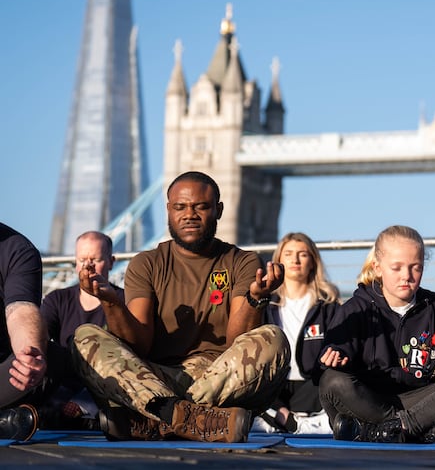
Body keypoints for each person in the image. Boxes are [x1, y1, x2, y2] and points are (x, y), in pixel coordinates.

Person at [70, 171, 291, 443]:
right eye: (180, 207)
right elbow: (139, 345)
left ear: (218, 210)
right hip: (154, 377)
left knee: (273, 339)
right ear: (168, 210)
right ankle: (190, 419)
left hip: (219, 379)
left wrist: (255, 298)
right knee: (84, 337)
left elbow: (237, 340)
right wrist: (111, 302)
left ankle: (157, 419)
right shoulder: (146, 263)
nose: (190, 215)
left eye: (201, 207)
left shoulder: (242, 262)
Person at [318, 225, 435, 443]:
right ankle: (417, 431)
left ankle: (378, 431)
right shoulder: (356, 308)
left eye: (415, 267)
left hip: (420, 403)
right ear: (378, 268)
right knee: (332, 381)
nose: (406, 276)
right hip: (369, 401)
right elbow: (334, 354)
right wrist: (336, 355)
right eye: (396, 268)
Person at [253, 232, 340, 434]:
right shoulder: (266, 303)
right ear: (278, 260)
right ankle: (291, 421)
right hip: (275, 387)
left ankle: (285, 423)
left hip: (312, 386)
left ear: (312, 261)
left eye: (303, 254)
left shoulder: (328, 305)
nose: (295, 259)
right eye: (289, 253)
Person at [39, 231, 125, 430]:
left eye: (95, 259)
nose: (88, 266)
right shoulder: (56, 300)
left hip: (105, 386)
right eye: (82, 259)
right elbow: (39, 337)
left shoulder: (124, 300)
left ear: (111, 262)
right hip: (62, 386)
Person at [0, 222, 45, 441]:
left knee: (51, 357)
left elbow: (20, 309)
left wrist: (28, 355)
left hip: (3, 368)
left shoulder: (18, 249)